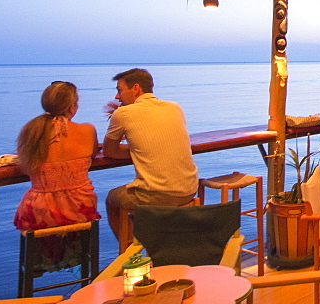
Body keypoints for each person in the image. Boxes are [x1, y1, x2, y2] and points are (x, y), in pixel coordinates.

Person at [102, 68, 198, 242]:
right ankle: (153, 241)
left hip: (158, 195)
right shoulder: (174, 107)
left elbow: (109, 151)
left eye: (119, 90)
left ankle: (131, 255)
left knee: (112, 200)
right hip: (189, 189)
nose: (117, 97)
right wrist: (142, 150)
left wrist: (137, 150)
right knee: (142, 199)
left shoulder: (122, 113)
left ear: (136, 88)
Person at [14, 81, 100, 238]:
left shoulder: (30, 131)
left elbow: (24, 161)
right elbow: (92, 153)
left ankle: (38, 261)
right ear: (72, 107)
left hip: (40, 210)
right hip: (79, 207)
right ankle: (84, 260)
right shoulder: (88, 130)